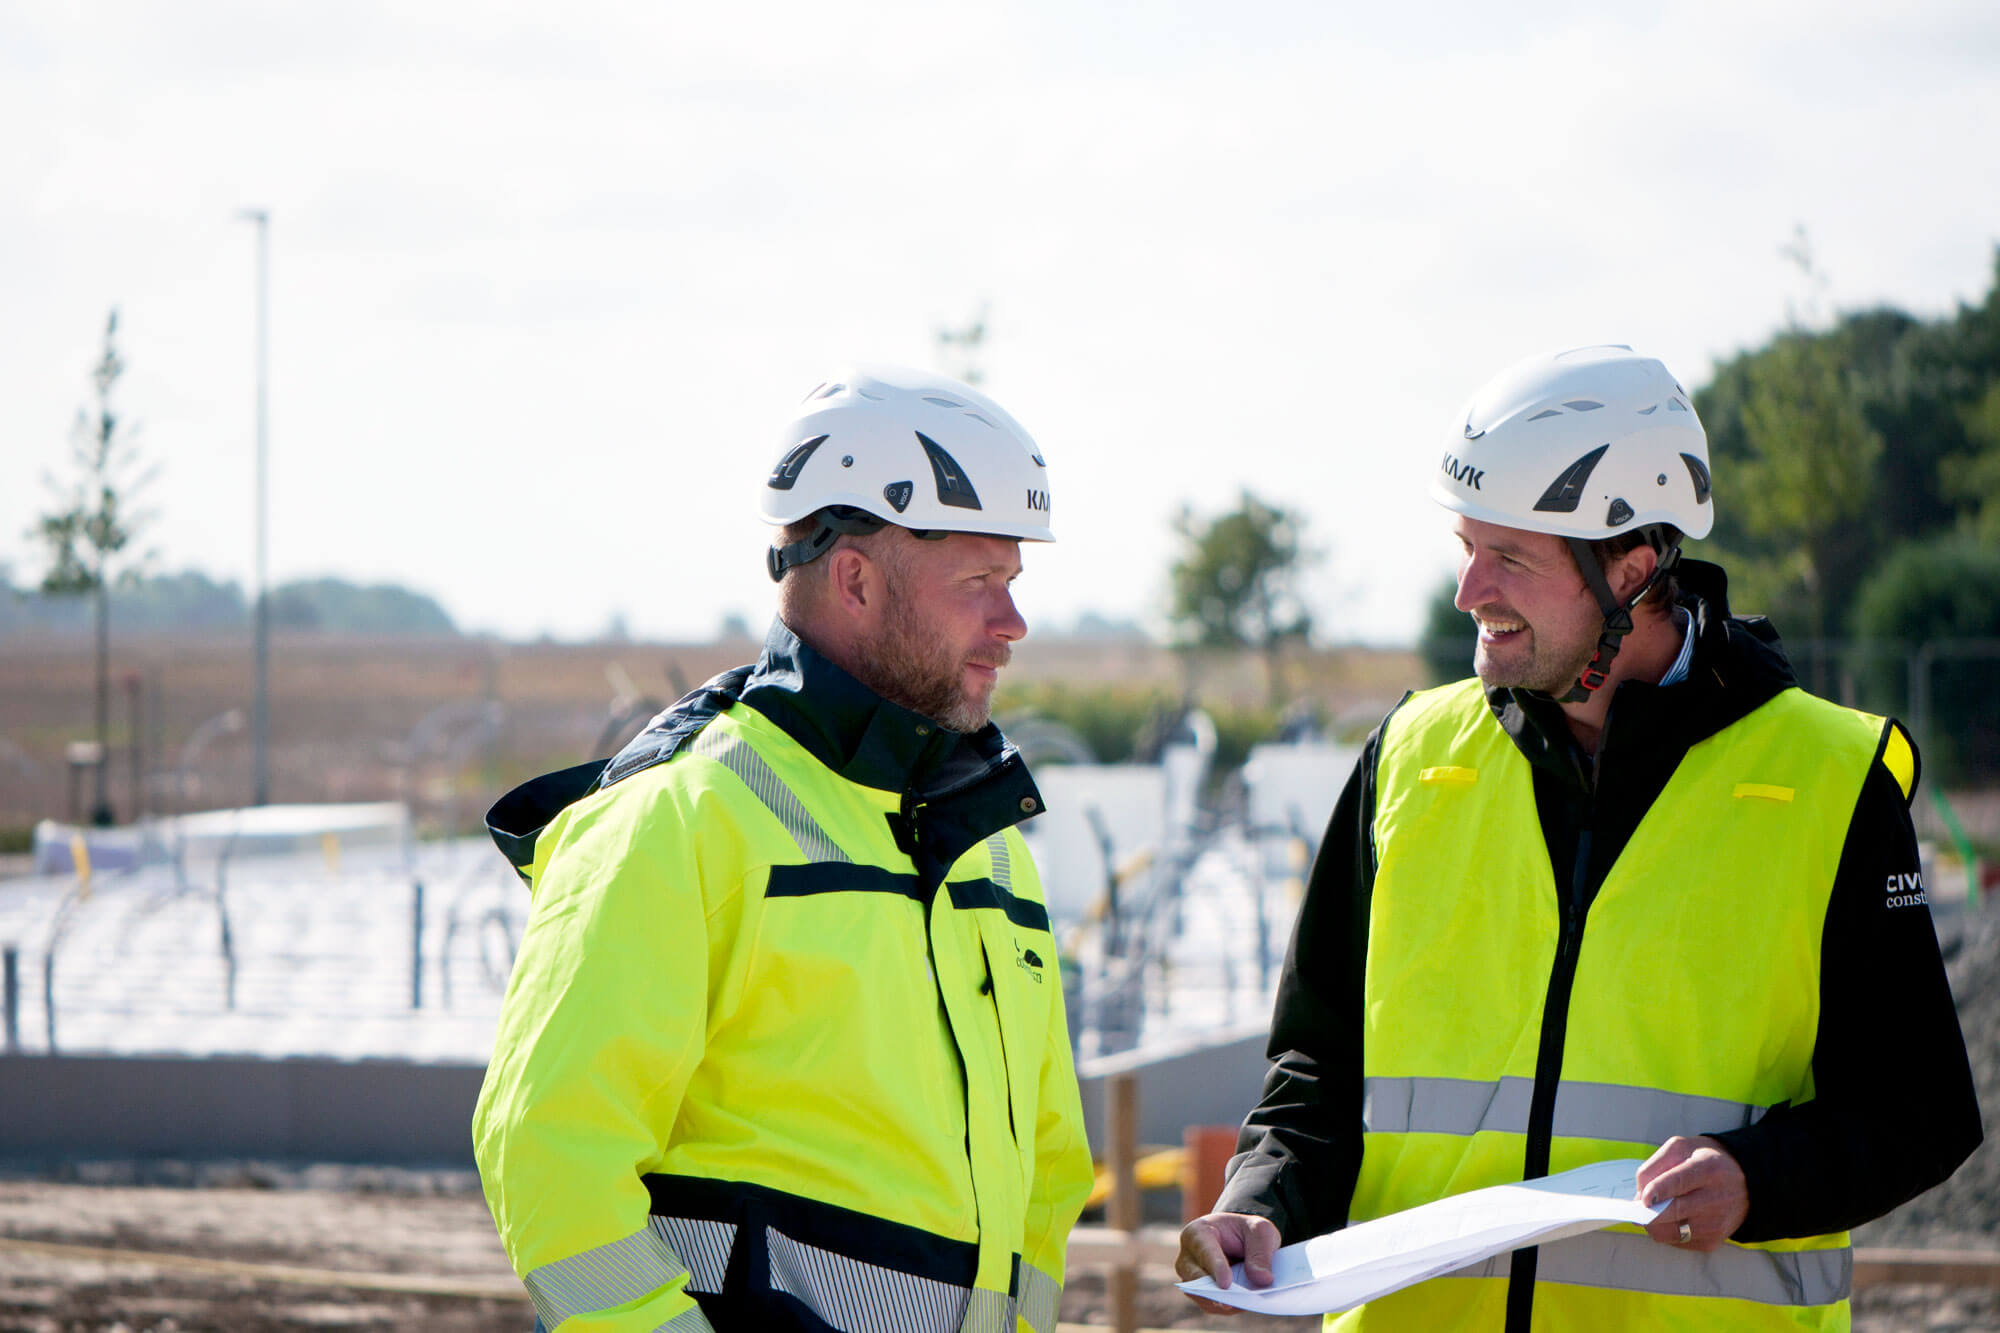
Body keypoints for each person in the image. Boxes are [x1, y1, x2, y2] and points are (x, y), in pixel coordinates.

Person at [1177, 344, 1981, 1330]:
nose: (1470, 590)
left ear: (1632, 570)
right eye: (1465, 547)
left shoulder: (1829, 778)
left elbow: (1918, 1112)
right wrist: (1254, 1206)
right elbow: (1310, 1078)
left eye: (1508, 557)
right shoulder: (1405, 758)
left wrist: (1755, 1179)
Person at [475, 365, 1092, 1333]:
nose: (1011, 624)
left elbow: (1047, 1172)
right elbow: (549, 1150)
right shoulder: (677, 819)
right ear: (853, 575)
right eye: (978, 582)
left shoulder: (985, 848)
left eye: (1011, 583)